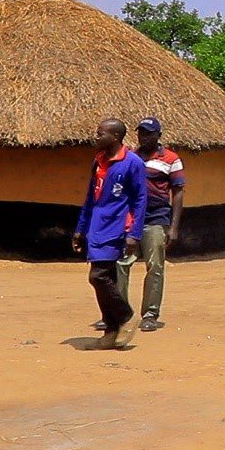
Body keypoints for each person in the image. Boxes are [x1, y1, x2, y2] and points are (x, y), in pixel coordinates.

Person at [73, 118, 147, 350]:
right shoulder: (99, 161)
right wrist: (80, 229)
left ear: (115, 137)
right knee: (107, 279)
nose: (96, 137)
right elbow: (89, 199)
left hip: (116, 227)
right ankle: (111, 331)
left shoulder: (132, 163)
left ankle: (126, 315)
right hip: (96, 226)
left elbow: (140, 200)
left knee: (98, 276)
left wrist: (134, 233)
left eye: (100, 133)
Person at [110, 118, 184, 333]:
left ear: (158, 136)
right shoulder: (130, 156)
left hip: (157, 217)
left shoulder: (171, 159)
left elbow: (178, 192)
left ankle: (150, 314)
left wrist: (174, 227)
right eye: (141, 133)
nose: (144, 137)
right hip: (131, 218)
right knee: (121, 264)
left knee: (155, 266)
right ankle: (121, 313)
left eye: (149, 133)